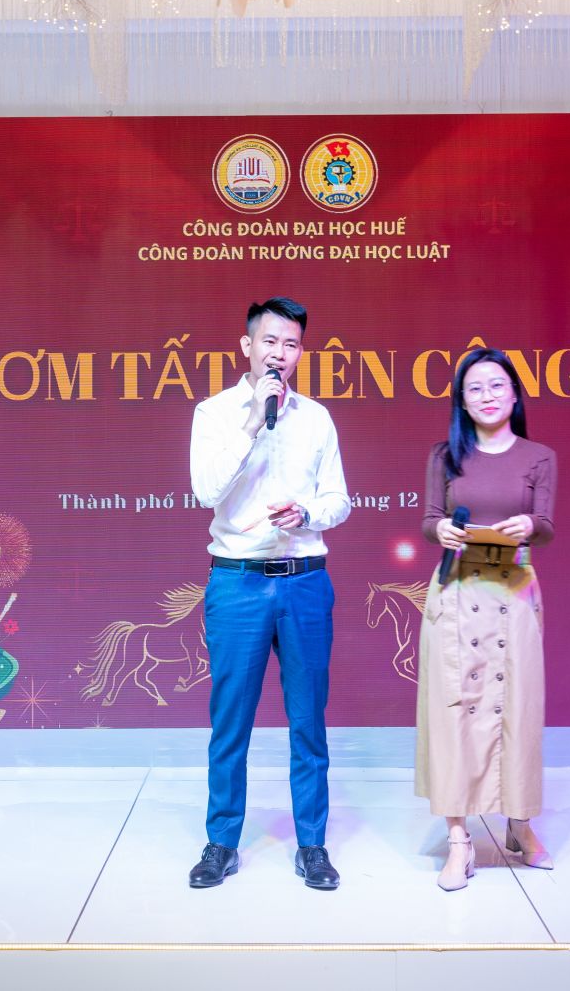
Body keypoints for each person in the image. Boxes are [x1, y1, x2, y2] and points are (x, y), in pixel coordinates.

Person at [187, 297, 352, 891]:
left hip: (304, 581)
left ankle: (312, 844)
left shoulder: (317, 419)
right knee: (230, 722)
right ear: (247, 346)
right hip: (237, 582)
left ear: (301, 353)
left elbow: (339, 500)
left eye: (291, 344)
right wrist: (254, 422)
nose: (280, 353)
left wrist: (307, 512)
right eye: (270, 341)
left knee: (308, 721)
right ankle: (222, 843)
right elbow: (206, 490)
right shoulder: (214, 413)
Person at [416, 348, 557, 891]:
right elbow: (429, 520)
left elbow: (546, 525)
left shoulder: (539, 456)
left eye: (497, 385)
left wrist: (529, 526)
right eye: (474, 388)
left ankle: (519, 824)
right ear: (462, 400)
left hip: (513, 592)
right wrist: (440, 531)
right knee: (453, 712)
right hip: (457, 590)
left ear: (514, 394)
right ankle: (459, 840)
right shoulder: (444, 455)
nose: (487, 396)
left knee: (516, 708)